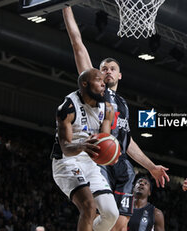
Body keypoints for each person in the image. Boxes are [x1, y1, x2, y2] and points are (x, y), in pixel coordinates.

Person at [62, 7, 170, 231]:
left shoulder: (122, 104)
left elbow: (127, 141)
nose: (107, 71)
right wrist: (67, 7)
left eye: (112, 68)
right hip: (99, 160)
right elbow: (77, 44)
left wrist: (151, 167)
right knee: (96, 212)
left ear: (120, 75)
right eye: (103, 69)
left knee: (120, 225)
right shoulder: (95, 91)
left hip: (121, 164)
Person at [51, 68, 119, 231]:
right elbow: (65, 147)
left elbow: (104, 142)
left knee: (111, 214)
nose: (104, 84)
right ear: (84, 83)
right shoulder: (67, 108)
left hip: (89, 163)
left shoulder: (108, 109)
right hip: (66, 162)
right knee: (88, 207)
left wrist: (111, 153)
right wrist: (81, 146)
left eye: (104, 81)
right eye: (98, 80)